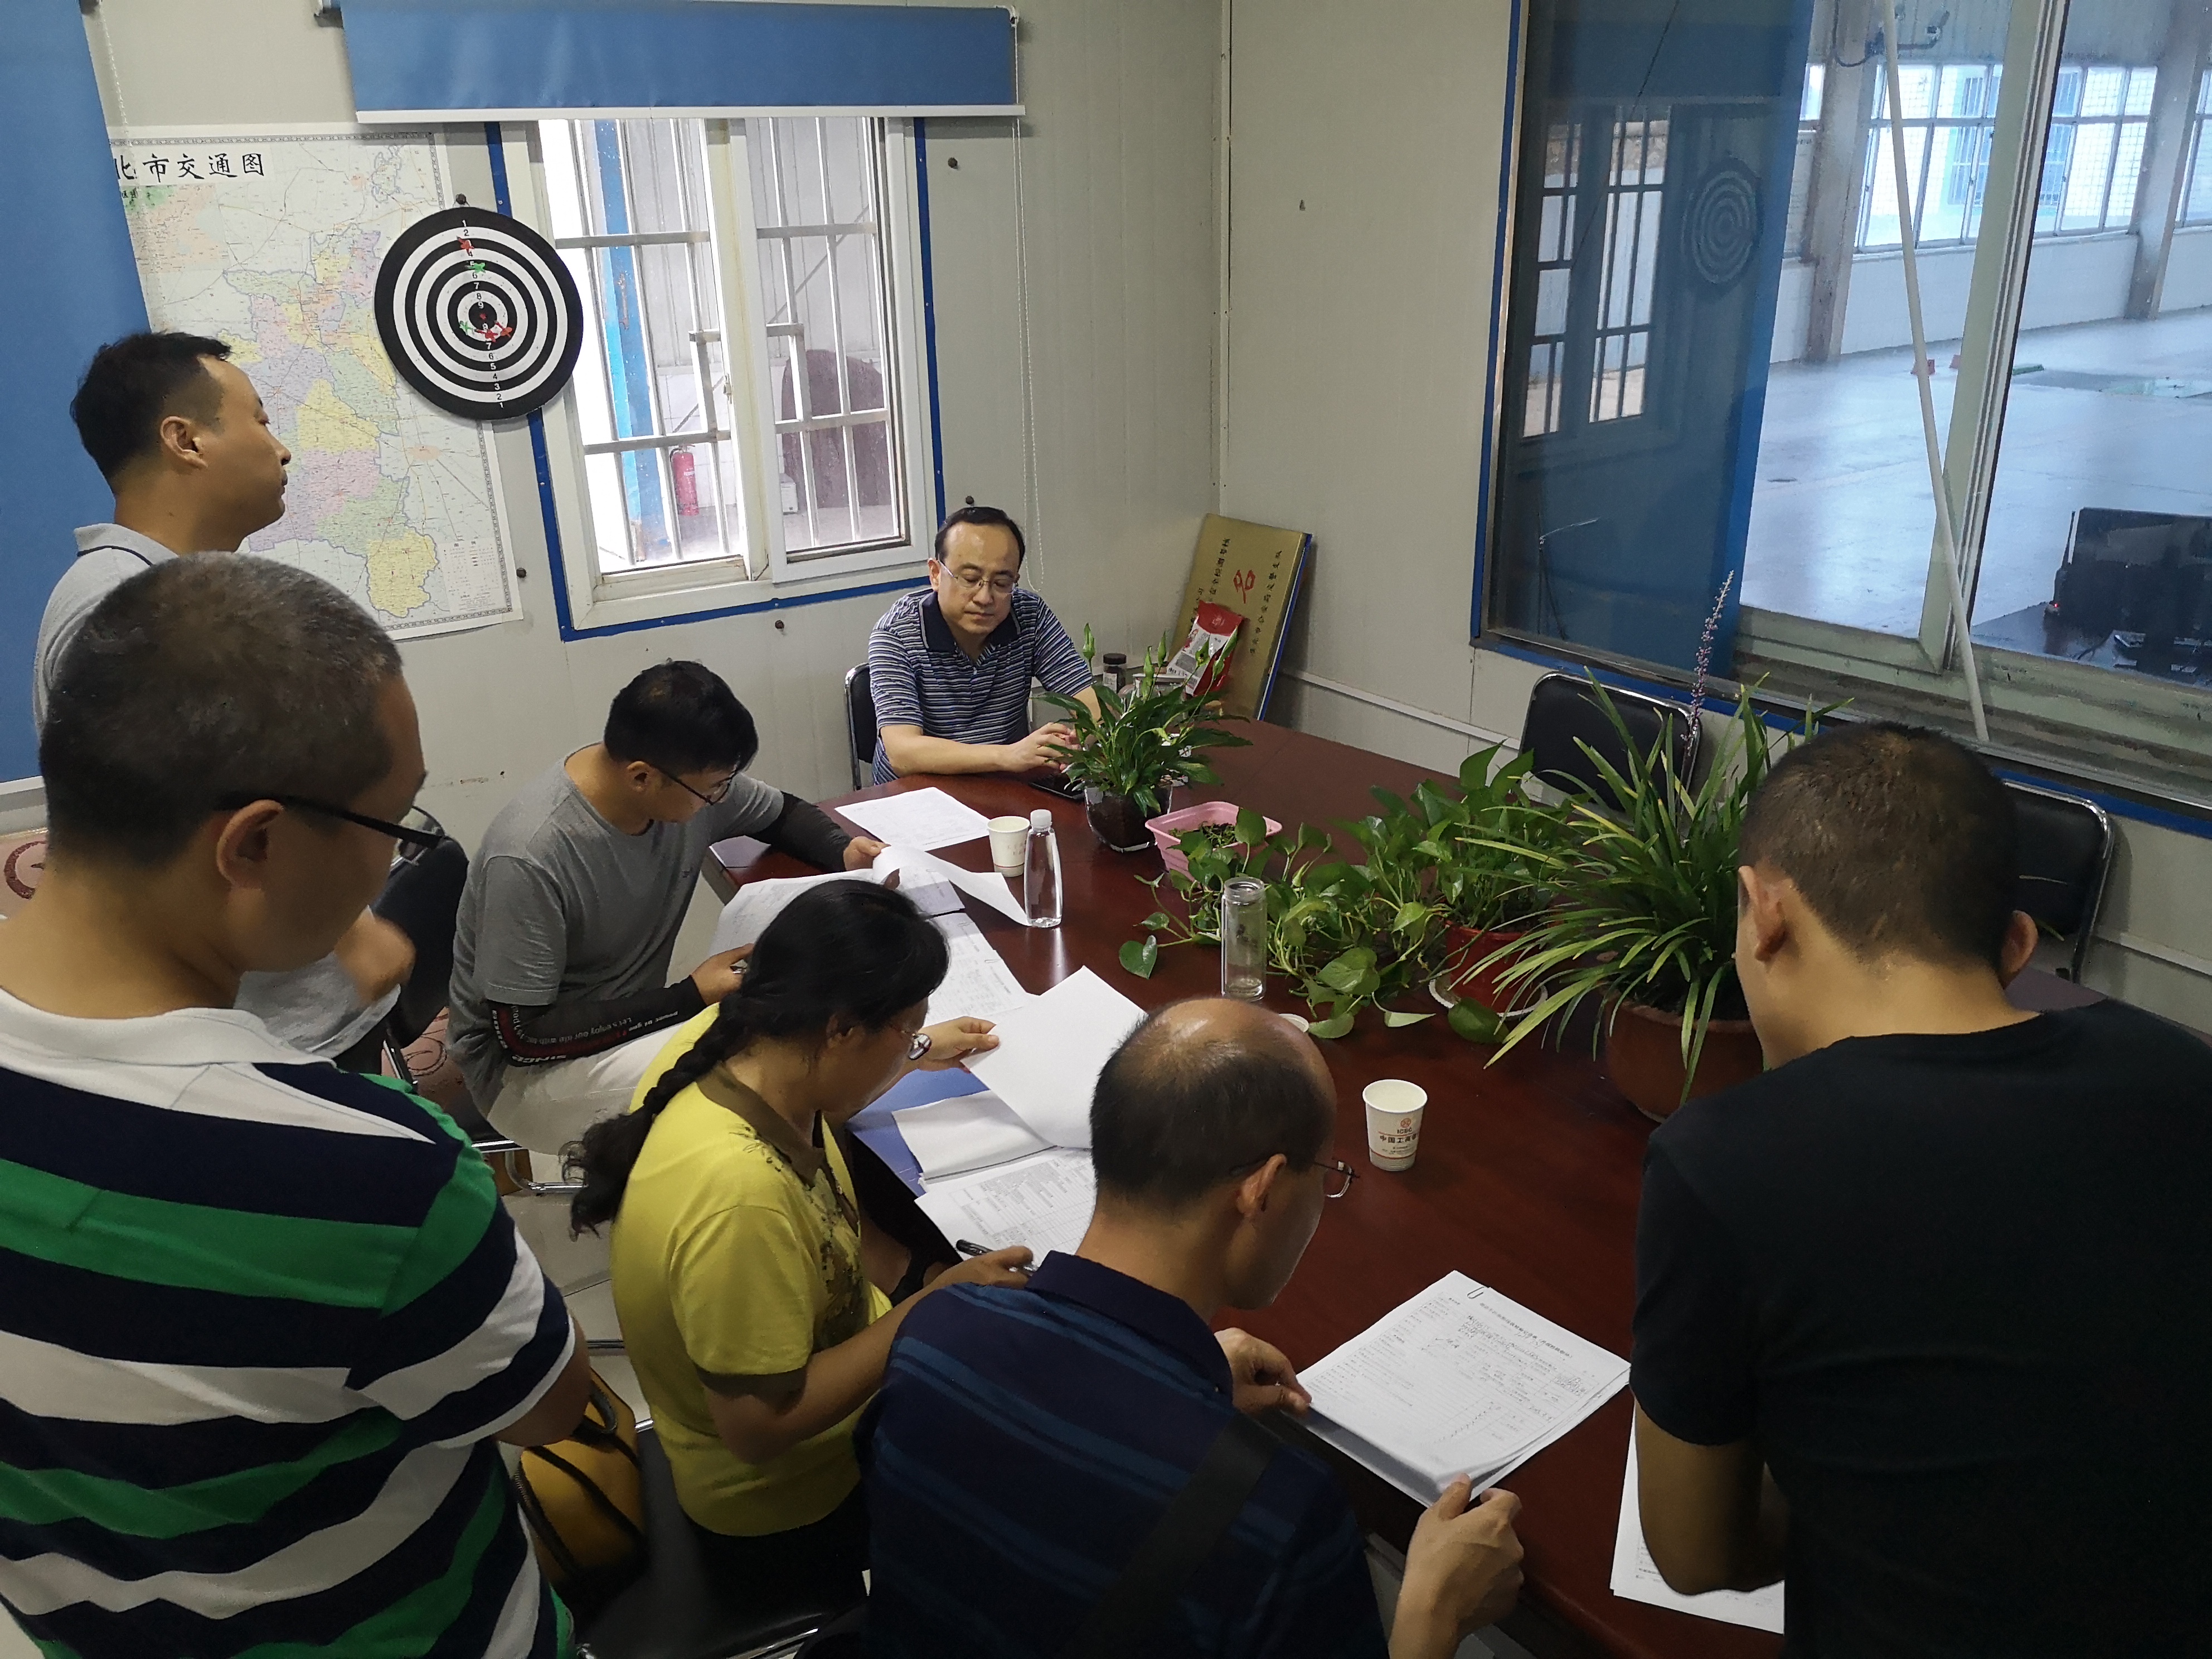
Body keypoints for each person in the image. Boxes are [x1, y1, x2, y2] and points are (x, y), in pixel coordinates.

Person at [0, 555, 591, 1657]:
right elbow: (548, 1406)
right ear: (255, 844)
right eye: (392, 824)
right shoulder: (373, 1174)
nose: (392, 864)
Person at [1632, 722, 2212, 1654]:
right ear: (2016, 945)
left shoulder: (1726, 1161)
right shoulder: (2180, 1074)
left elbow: (1697, 1554)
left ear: (1763, 913)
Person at [860, 997, 1526, 1657]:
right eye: (1325, 1175)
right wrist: (1434, 1615)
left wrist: (1180, 1389)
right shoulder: (1279, 1514)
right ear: (1263, 1189)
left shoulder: (934, 1335)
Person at [568, 881, 1030, 1611]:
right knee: (1037, 1471)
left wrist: (911, 1051)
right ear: (840, 1030)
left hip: (828, 1386)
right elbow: (758, 1429)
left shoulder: (732, 1042)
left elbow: (842, 1077)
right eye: (904, 1026)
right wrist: (927, 1307)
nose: (910, 1041)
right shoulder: (739, 1196)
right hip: (788, 1506)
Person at [38, 328, 446, 1067]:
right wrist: (352, 933)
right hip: (257, 1038)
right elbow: (172, 821)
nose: (281, 449)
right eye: (258, 419)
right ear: (185, 441)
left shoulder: (187, 594)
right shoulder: (120, 607)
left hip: (302, 1015)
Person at [447, 660, 887, 1156]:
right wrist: (689, 997)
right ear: (642, 778)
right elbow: (523, 1037)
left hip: (628, 1019)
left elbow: (780, 812)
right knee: (770, 1068)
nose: (721, 798)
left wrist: (844, 851)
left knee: (793, 1013)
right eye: (714, 788)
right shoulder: (531, 855)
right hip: (525, 1077)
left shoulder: (678, 778)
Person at [866, 505, 1102, 780]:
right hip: (919, 793)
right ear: (936, 574)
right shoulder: (896, 633)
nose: (985, 598)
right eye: (970, 579)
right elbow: (903, 753)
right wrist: (1008, 755)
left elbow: (1091, 703)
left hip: (1004, 786)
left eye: (1002, 583)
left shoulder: (1029, 615)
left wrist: (1076, 742)